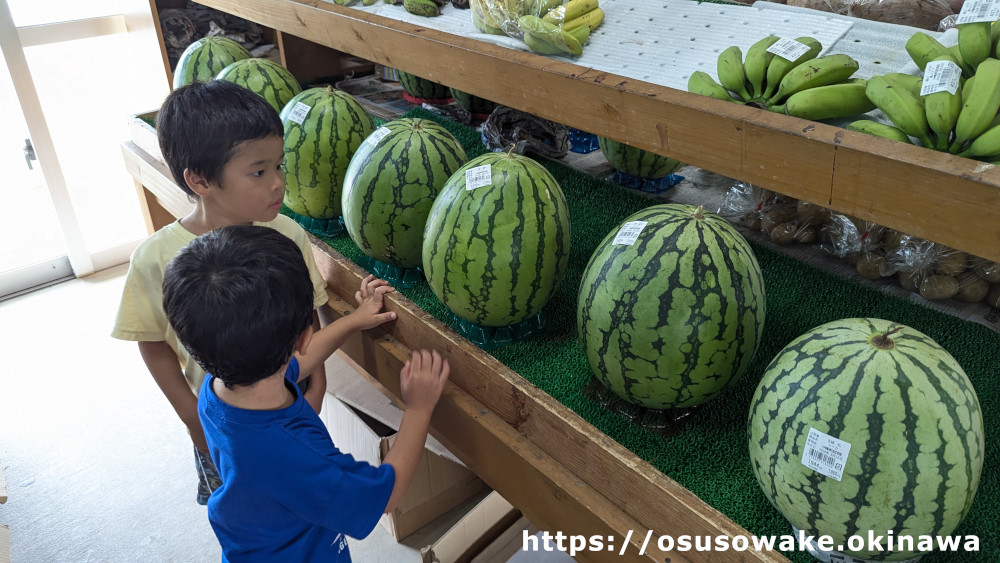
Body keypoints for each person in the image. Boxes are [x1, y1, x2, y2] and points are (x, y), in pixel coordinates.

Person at [162, 225, 450, 561]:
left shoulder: (218, 388)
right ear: (303, 336)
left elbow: (298, 360)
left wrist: (354, 320)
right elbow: (385, 497)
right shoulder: (292, 455)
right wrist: (418, 410)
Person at [111, 79, 330, 505]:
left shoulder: (289, 234)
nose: (278, 183)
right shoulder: (155, 258)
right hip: (221, 429)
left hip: (296, 415)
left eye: (279, 166)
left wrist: (317, 386)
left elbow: (307, 319)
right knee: (245, 521)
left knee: (306, 509)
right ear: (199, 179)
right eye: (259, 171)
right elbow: (152, 344)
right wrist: (193, 420)